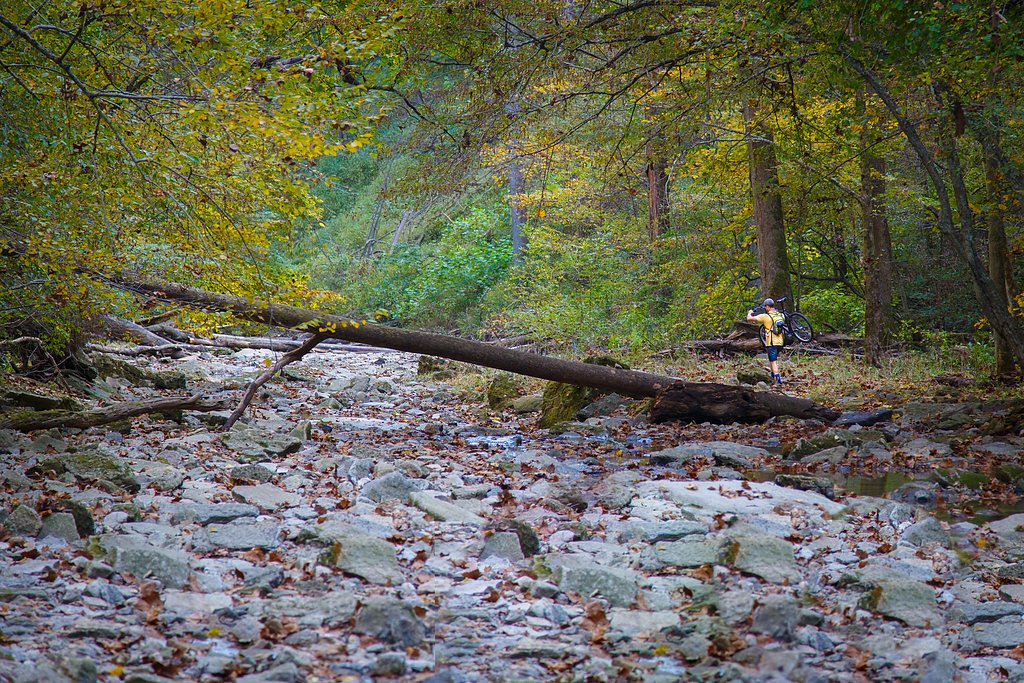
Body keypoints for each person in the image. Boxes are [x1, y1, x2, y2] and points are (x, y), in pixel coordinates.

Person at [747, 298, 786, 384]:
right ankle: (772, 377)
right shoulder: (781, 315)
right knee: (771, 359)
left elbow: (749, 319)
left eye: (765, 306)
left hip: (771, 342)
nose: (764, 308)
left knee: (773, 361)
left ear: (768, 306)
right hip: (780, 341)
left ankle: (778, 379)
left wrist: (750, 313)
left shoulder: (765, 317)